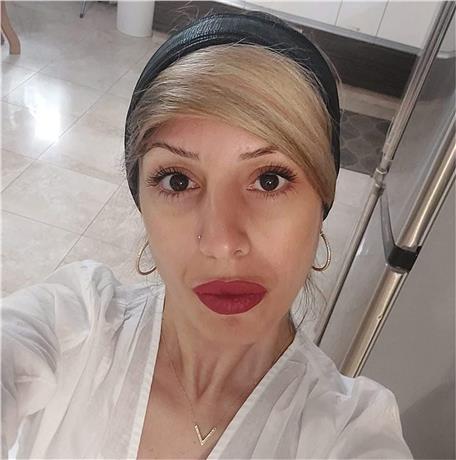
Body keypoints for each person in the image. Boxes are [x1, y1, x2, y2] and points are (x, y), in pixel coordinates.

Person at [1, 10, 413, 460]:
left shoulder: (346, 432)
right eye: (178, 181)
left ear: (322, 202)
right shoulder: (74, 325)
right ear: (143, 203)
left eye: (270, 180)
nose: (221, 242)